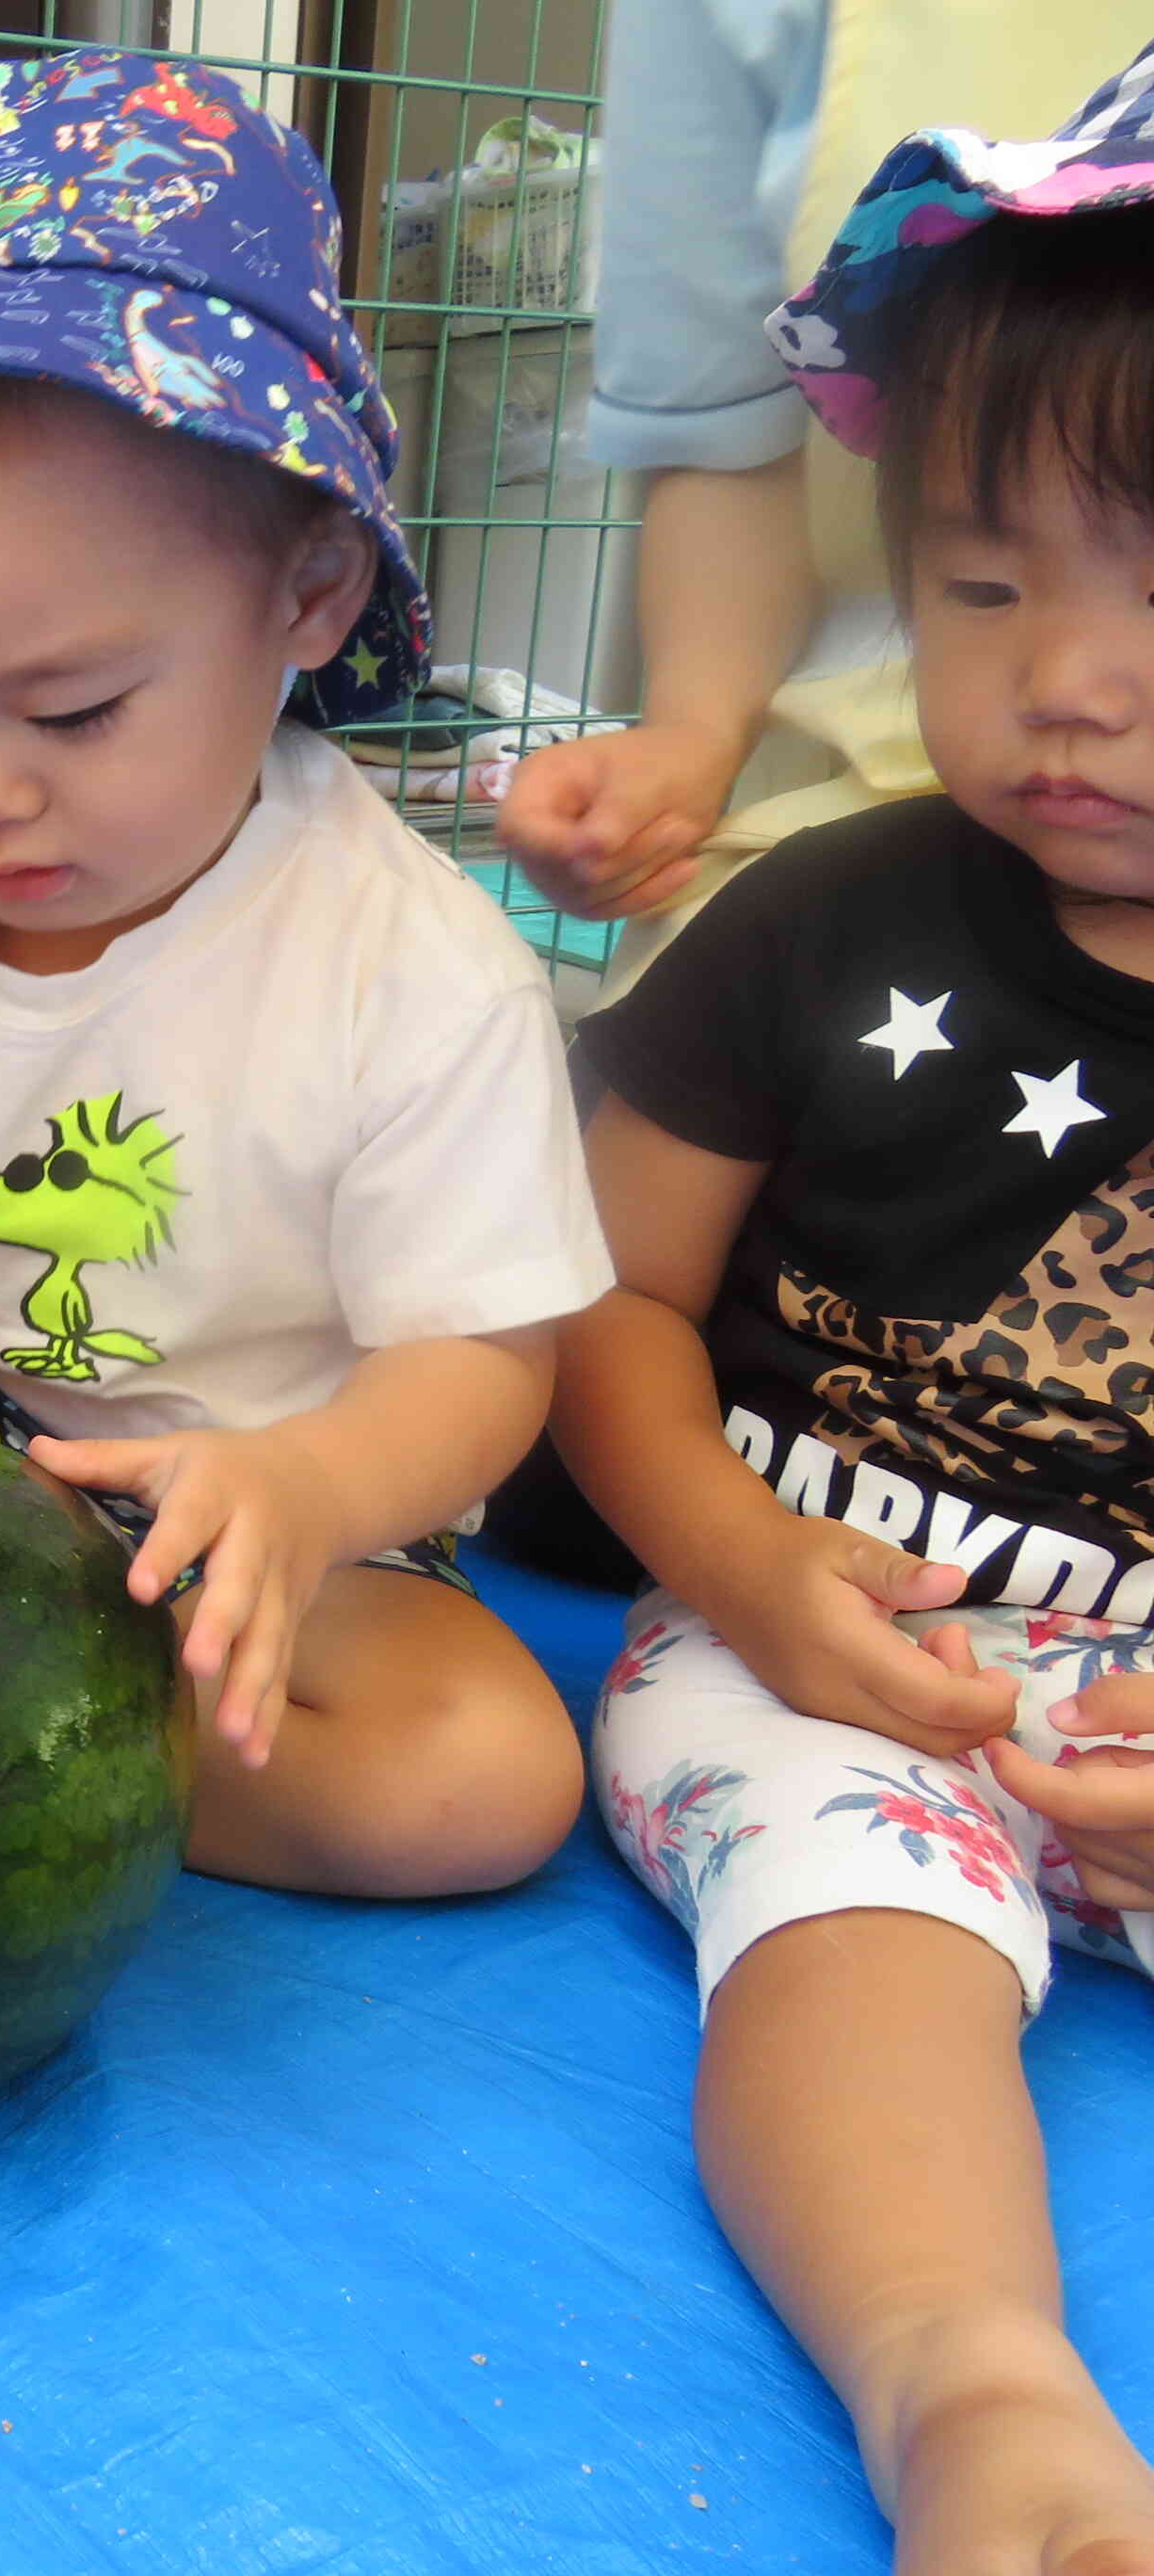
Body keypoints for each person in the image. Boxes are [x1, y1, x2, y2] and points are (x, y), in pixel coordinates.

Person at [0, 53, 612, 1897]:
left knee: (480, 1784)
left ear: (306, 597)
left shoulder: (413, 972)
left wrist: (308, 1492)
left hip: (285, 1508)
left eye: (73, 708)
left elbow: (477, 1367)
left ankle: (9, 1756)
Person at [552, 57, 1154, 2568]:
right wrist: (751, 1565)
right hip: (814, 1634)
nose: (1071, 683)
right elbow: (598, 1314)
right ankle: (971, 2381)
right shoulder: (825, 918)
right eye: (985, 584)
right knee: (868, 1902)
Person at [493, 0, 1125, 978]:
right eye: (983, 587)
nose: (1063, 690)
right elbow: (724, 426)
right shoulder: (796, 933)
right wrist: (691, 738)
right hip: (844, 781)